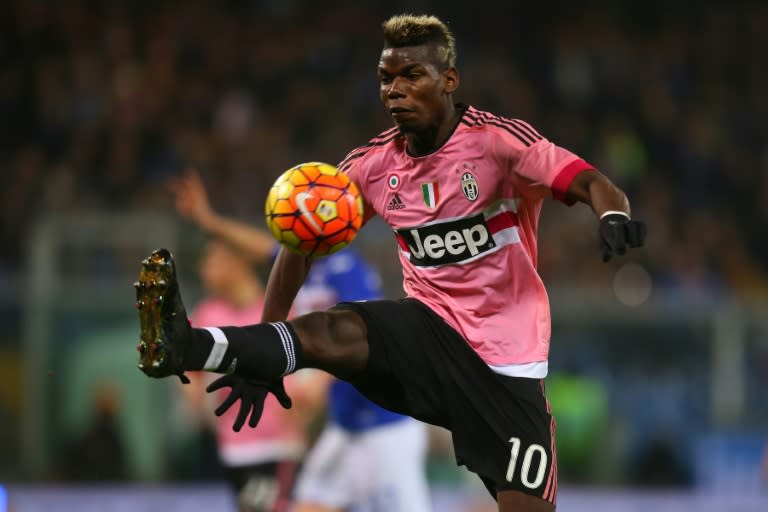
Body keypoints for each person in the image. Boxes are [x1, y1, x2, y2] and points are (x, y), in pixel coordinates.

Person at [135, 14, 646, 512]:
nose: (394, 90)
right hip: (429, 331)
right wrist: (261, 350)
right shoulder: (372, 165)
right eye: (386, 78)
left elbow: (592, 182)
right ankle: (186, 345)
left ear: (449, 80)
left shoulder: (498, 143)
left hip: (506, 363)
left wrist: (613, 213)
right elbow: (298, 247)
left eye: (411, 76)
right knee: (339, 328)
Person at [169, 171, 432, 512]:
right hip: (346, 426)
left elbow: (367, 335)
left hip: (385, 425)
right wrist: (209, 222)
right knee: (307, 505)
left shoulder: (343, 267)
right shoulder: (300, 264)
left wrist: (321, 379)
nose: (287, 222)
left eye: (295, 214)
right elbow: (256, 246)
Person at [179, 238, 322, 512]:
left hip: (279, 445)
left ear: (238, 263)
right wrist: (195, 398)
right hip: (233, 447)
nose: (204, 269)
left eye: (212, 260)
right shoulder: (208, 313)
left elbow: (316, 369)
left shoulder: (281, 311)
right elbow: (190, 374)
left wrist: (309, 399)